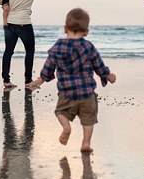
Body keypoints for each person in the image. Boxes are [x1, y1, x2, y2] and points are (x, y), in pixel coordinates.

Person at [32, 8, 116, 153]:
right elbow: (99, 65)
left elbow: (48, 67)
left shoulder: (57, 48)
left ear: (65, 29)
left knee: (60, 112)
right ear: (86, 32)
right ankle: (86, 143)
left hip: (66, 93)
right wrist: (108, 75)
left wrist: (41, 79)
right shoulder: (88, 47)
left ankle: (66, 127)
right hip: (87, 94)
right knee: (88, 120)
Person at [0, 0, 55, 89]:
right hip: (24, 23)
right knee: (29, 51)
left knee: (8, 52)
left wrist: (6, 5)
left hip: (10, 23)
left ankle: (6, 80)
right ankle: (28, 81)